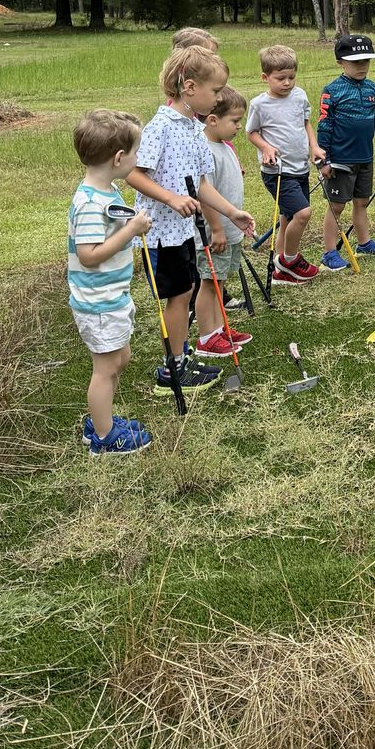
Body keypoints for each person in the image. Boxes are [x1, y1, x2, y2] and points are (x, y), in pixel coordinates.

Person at [126, 46, 256, 394]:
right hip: (160, 232)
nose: (218, 98)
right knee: (179, 295)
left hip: (184, 230)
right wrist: (170, 198)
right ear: (189, 87)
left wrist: (231, 212)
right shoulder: (160, 127)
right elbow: (134, 174)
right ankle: (172, 369)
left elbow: (201, 184)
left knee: (185, 292)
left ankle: (181, 357)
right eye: (215, 90)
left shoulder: (195, 129)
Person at [68, 109, 153, 455]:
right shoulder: (90, 203)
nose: (138, 158)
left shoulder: (106, 190)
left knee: (120, 358)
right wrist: (131, 231)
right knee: (105, 369)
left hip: (111, 295)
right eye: (136, 152)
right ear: (119, 158)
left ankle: (100, 419)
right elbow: (88, 255)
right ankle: (103, 437)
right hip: (98, 301)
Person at [316, 34, 375, 271]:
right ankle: (329, 253)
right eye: (356, 62)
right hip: (339, 161)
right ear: (340, 62)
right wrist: (323, 160)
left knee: (362, 202)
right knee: (336, 206)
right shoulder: (332, 90)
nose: (362, 66)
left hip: (365, 157)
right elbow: (324, 126)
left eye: (366, 60)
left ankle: (364, 244)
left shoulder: (372, 88)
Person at [245, 44, 325, 287]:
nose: (287, 83)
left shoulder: (299, 96)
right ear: (265, 77)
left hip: (301, 168)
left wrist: (314, 147)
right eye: (280, 78)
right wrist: (266, 148)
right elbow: (251, 133)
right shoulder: (259, 104)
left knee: (288, 217)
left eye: (291, 77)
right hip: (278, 172)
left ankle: (280, 272)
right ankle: (290, 260)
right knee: (303, 213)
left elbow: (306, 124)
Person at [195, 86, 255, 354]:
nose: (239, 126)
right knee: (209, 284)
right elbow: (205, 195)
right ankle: (206, 337)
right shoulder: (205, 151)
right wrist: (217, 229)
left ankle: (220, 329)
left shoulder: (223, 146)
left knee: (219, 283)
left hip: (229, 231)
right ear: (212, 120)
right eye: (235, 120)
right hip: (214, 233)